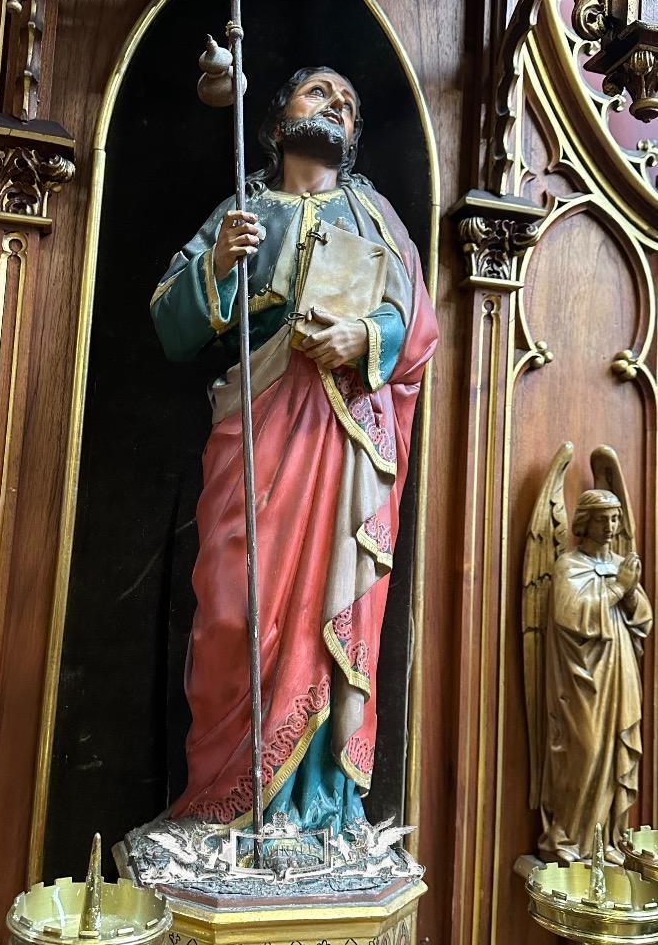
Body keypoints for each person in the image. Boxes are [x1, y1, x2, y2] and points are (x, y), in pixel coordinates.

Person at [149, 67, 437, 835]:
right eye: (320, 94)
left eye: (348, 102)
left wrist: (365, 337)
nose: (336, 105)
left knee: (324, 613)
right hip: (257, 432)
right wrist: (217, 266)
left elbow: (417, 325)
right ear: (277, 124)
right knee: (235, 610)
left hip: (339, 445)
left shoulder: (372, 213)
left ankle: (317, 809)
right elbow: (171, 325)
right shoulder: (241, 212)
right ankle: (225, 804)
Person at [538, 489, 653, 862]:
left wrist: (630, 592)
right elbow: (570, 615)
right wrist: (619, 587)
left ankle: (605, 841)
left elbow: (644, 619)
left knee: (616, 750)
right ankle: (565, 838)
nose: (610, 526)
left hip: (619, 668)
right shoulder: (570, 565)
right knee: (585, 752)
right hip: (582, 677)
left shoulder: (621, 564)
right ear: (585, 522)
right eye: (602, 519)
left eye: (615, 519)